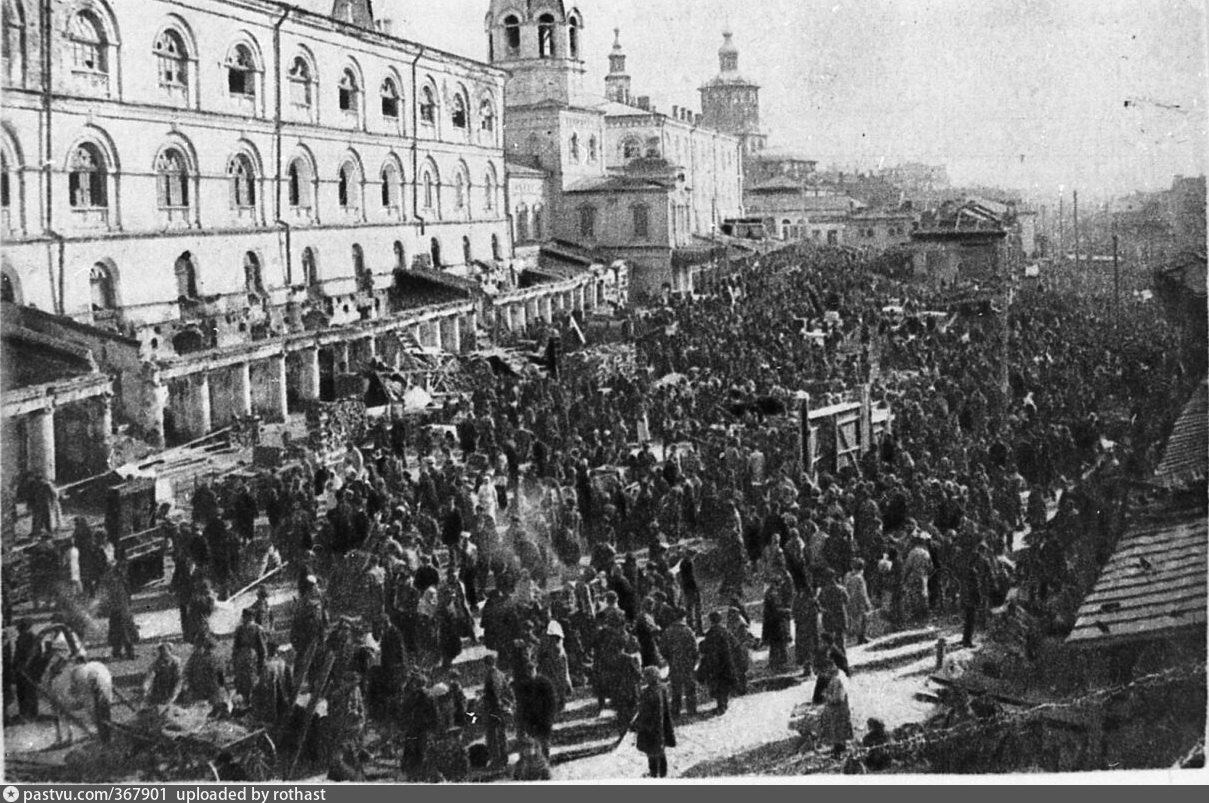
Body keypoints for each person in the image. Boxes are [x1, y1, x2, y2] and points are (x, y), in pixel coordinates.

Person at [634, 666, 676, 778]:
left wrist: (639, 725)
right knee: (660, 751)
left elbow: (645, 712)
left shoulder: (647, 693)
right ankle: (663, 772)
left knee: (651, 753)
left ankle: (654, 774)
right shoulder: (662, 689)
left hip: (650, 728)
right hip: (661, 727)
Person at [696, 611, 738, 715]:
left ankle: (721, 705)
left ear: (711, 621)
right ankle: (724, 703)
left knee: (718, 684)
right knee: (725, 683)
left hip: (715, 663)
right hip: (726, 662)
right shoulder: (725, 631)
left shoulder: (711, 633)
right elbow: (735, 643)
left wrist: (701, 645)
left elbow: (706, 648)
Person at [514, 661, 557, 760]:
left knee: (544, 741)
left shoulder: (545, 682)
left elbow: (552, 701)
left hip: (544, 717)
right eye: (528, 671)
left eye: (532, 670)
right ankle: (539, 760)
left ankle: (545, 759)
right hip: (532, 719)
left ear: (535, 670)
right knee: (535, 741)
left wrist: (549, 716)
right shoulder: (524, 685)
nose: (530, 673)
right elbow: (522, 703)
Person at [661, 609, 699, 716]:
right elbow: (695, 648)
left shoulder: (668, 631)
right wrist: (694, 660)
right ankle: (691, 709)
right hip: (687, 663)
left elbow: (663, 648)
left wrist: (669, 658)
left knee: (676, 688)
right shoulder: (688, 630)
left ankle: (675, 710)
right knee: (690, 687)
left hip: (674, 663)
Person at [816, 651, 853, 756]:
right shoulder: (838, 676)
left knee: (838, 731)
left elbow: (838, 698)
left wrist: (826, 696)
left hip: (838, 710)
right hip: (839, 709)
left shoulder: (837, 680)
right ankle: (838, 748)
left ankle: (839, 751)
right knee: (837, 731)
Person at [482, 654, 514, 768]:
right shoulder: (501, 674)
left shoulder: (490, 676)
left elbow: (494, 695)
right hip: (501, 708)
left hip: (494, 709)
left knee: (493, 736)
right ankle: (504, 758)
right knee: (502, 735)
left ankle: (496, 760)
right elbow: (508, 691)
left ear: (486, 665)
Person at [536, 621, 572, 715]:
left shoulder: (558, 640)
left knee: (560, 683)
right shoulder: (544, 635)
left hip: (557, 663)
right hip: (549, 664)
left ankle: (561, 704)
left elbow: (561, 653)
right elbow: (541, 650)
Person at [231, 608, 267, 703]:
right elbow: (263, 648)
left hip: (246, 658)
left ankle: (247, 702)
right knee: (249, 682)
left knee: (246, 682)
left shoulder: (245, 629)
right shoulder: (254, 628)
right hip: (249, 658)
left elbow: (235, 648)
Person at [13, 620, 41, 720]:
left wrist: (25, 666)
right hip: (21, 668)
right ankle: (23, 713)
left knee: (29, 691)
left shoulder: (31, 638)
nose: (19, 630)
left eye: (21, 627)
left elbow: (32, 654)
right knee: (22, 691)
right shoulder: (22, 637)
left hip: (29, 669)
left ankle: (32, 714)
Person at [142, 643, 184, 707]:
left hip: (174, 689)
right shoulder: (156, 663)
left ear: (170, 652)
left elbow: (179, 680)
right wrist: (145, 687)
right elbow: (150, 676)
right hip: (161, 691)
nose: (163, 658)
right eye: (162, 655)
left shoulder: (176, 662)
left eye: (166, 654)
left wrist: (174, 695)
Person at [844, 559, 873, 645]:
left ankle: (855, 636)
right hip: (859, 601)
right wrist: (868, 603)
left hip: (850, 600)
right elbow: (863, 592)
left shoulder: (847, 575)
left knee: (853, 619)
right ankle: (861, 637)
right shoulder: (859, 578)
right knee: (863, 619)